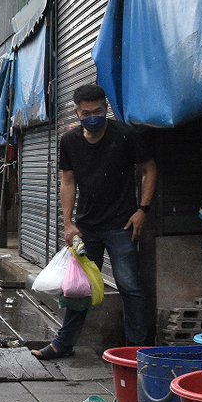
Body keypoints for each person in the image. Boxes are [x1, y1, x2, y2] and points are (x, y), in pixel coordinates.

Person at [33, 83, 157, 360]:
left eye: (98, 110)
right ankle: (63, 345)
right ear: (77, 112)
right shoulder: (70, 141)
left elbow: (149, 169)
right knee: (78, 288)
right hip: (86, 227)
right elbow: (68, 181)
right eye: (86, 112)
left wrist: (143, 210)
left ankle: (136, 349)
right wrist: (67, 223)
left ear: (106, 108)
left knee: (130, 286)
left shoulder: (125, 135)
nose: (93, 115)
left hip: (121, 225)